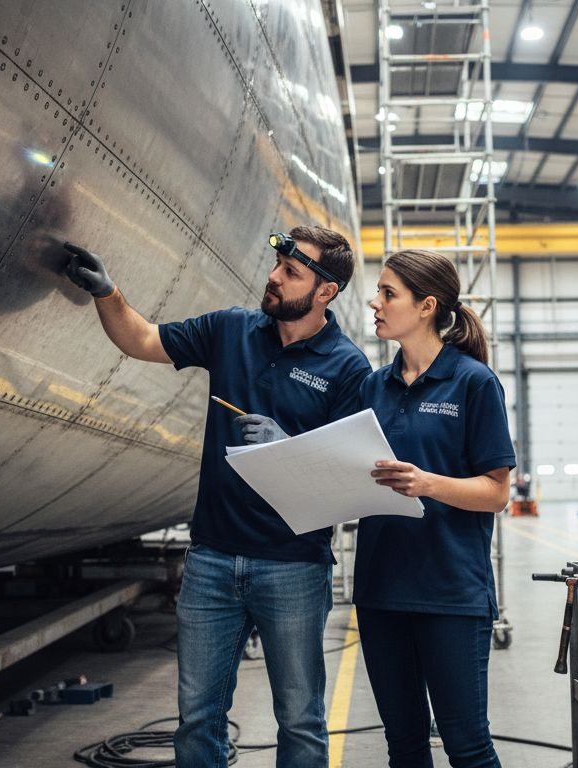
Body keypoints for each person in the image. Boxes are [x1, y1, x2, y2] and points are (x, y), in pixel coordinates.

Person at [61, 226, 371, 768]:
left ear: (326, 291)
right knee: (198, 718)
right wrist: (108, 295)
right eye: (277, 264)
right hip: (211, 560)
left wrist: (291, 448)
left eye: (292, 273)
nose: (274, 277)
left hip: (294, 566)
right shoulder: (232, 330)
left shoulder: (347, 368)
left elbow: (349, 483)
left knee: (300, 720)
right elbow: (143, 340)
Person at [354, 249, 515, 768]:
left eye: (387, 293)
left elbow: (497, 492)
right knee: (403, 746)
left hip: (450, 592)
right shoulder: (372, 387)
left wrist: (427, 484)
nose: (374, 303)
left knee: (467, 747)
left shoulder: (473, 382)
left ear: (426, 306)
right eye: (377, 291)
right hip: (381, 590)